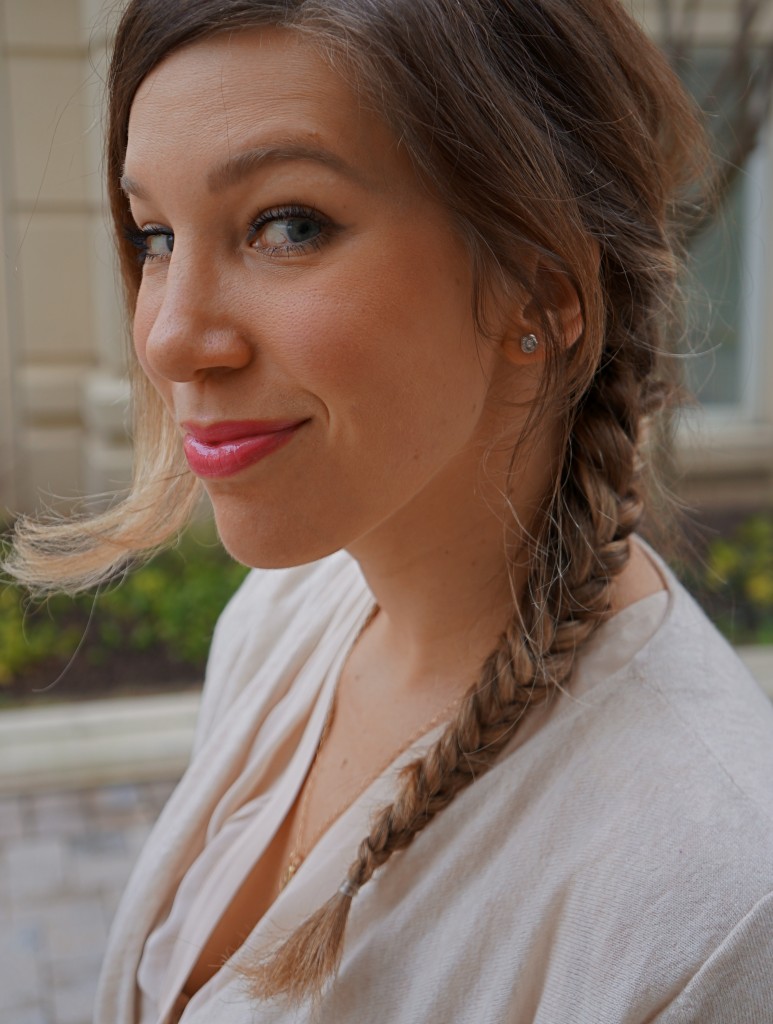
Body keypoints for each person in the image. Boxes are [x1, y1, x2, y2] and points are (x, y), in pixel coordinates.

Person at [5, 0, 773, 1021]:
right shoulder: (284, 615)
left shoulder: (713, 903)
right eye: (154, 233)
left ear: (540, 294)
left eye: (286, 224)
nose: (171, 336)